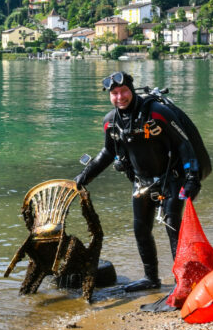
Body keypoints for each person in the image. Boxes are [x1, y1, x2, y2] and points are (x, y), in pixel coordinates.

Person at [74, 71, 201, 292]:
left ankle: (184, 282)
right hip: (142, 182)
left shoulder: (156, 113)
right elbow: (107, 153)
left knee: (173, 227)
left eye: (123, 91)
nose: (120, 97)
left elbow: (184, 145)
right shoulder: (110, 122)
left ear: (131, 90)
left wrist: (192, 179)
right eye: (114, 93)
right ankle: (151, 278)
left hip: (171, 178)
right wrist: (84, 177)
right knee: (141, 229)